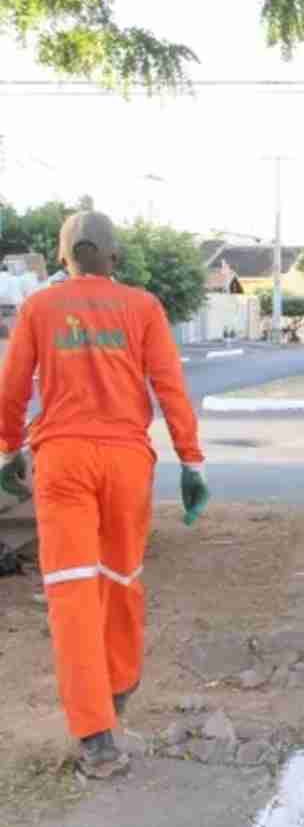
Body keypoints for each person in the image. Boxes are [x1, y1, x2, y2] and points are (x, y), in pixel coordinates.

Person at [0, 212, 210, 779]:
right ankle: (117, 689)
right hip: (125, 463)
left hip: (62, 463)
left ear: (63, 256)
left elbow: (13, 387)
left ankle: (96, 738)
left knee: (71, 592)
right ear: (113, 259)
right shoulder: (142, 308)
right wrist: (191, 462)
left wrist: (5, 450)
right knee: (120, 580)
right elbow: (169, 387)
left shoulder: (39, 309)